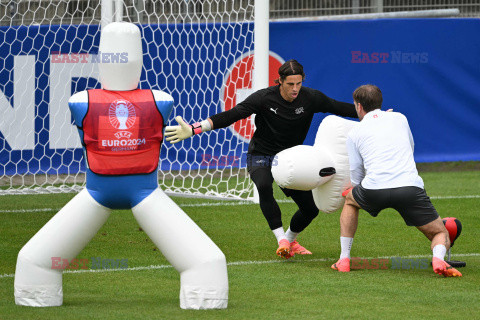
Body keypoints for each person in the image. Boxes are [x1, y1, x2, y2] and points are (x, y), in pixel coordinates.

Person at [14, 22, 229, 309]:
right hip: (131, 192)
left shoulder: (83, 100)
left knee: (36, 261)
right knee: (208, 262)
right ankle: (206, 298)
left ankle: (36, 294)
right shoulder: (157, 99)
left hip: (117, 191)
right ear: (138, 57)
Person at [165, 59, 358, 259]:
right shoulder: (264, 98)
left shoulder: (311, 98)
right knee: (264, 186)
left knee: (310, 209)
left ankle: (290, 241)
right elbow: (232, 115)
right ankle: (281, 239)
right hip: (261, 155)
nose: (295, 89)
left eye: (299, 84)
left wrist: (373, 115)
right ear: (280, 81)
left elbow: (340, 107)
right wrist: (196, 128)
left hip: (291, 160)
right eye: (290, 84)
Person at [331, 84, 462, 277]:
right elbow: (410, 147)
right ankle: (439, 259)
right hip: (409, 187)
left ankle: (344, 259)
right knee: (439, 233)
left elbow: (356, 172)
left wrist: (356, 192)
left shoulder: (354, 132)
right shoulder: (400, 118)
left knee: (350, 201)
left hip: (374, 189)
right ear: (380, 103)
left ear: (358, 106)